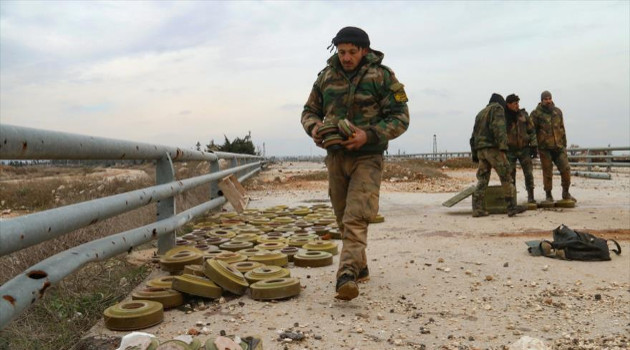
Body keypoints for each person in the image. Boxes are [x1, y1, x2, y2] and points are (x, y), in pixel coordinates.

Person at [301, 26, 410, 300]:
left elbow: (401, 117)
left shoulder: (383, 77)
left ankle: (346, 275)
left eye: (351, 52)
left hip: (367, 156)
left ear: (364, 50)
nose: (346, 57)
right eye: (341, 52)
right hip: (336, 157)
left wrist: (368, 135)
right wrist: (314, 128)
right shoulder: (325, 77)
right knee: (341, 216)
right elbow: (309, 111)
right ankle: (360, 267)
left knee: (356, 216)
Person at [470, 93, 527, 218]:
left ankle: (477, 209)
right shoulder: (497, 109)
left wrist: (474, 153)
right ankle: (512, 207)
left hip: (481, 150)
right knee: (506, 176)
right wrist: (503, 148)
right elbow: (499, 129)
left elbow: (473, 135)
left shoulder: (480, 113)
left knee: (483, 179)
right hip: (493, 149)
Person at [530, 90, 576, 202]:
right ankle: (548, 195)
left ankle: (566, 193)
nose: (548, 101)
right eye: (545, 99)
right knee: (547, 172)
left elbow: (562, 128)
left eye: (549, 98)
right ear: (541, 100)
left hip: (559, 147)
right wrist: (534, 146)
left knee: (566, 169)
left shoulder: (557, 112)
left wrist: (564, 144)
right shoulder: (535, 114)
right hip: (545, 148)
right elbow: (532, 131)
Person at [504, 94, 538, 203]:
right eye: (515, 103)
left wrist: (533, 145)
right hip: (510, 151)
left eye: (518, 103)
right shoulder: (503, 117)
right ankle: (512, 199)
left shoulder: (523, 115)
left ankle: (531, 196)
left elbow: (532, 131)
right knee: (510, 175)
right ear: (508, 104)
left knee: (528, 173)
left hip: (524, 149)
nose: (517, 105)